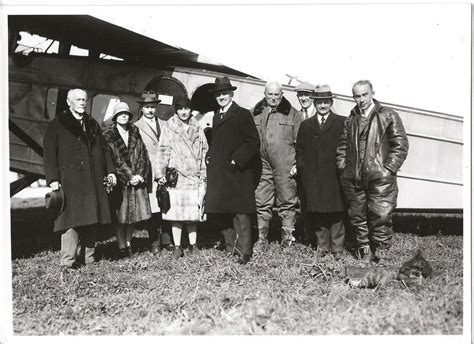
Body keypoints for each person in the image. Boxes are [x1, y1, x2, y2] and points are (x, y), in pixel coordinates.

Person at [336, 80, 409, 265]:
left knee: (381, 215)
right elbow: (343, 145)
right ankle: (364, 250)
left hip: (380, 177)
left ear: (372, 93)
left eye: (364, 95)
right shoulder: (351, 118)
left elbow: (400, 145)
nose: (361, 100)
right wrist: (343, 168)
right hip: (353, 177)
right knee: (357, 216)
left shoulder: (388, 115)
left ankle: (382, 251)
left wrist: (388, 169)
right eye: (357, 96)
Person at [43, 88, 117, 271]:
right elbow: (49, 154)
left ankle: (88, 258)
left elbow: (105, 150)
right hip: (71, 181)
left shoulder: (93, 124)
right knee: (71, 221)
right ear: (69, 102)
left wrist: (111, 172)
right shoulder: (57, 124)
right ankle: (67, 262)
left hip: (93, 179)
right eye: (78, 100)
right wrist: (53, 178)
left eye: (84, 99)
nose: (82, 102)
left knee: (92, 218)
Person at [205, 77, 260, 264]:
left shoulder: (242, 114)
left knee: (241, 214)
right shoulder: (216, 115)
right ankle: (231, 249)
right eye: (218, 94)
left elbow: (253, 142)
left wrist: (237, 159)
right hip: (221, 174)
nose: (221, 97)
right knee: (225, 213)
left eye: (224, 93)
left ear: (231, 94)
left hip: (238, 174)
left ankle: (245, 252)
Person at [295, 84, 346, 260]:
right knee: (317, 212)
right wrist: (303, 168)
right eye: (319, 102)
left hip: (334, 177)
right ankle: (323, 247)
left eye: (326, 102)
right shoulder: (306, 125)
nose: (322, 106)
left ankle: (337, 248)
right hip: (313, 177)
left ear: (331, 103)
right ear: (314, 103)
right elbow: (299, 150)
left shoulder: (341, 122)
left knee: (336, 213)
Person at [155, 96, 208, 259]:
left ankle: (193, 245)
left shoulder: (198, 127)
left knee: (192, 216)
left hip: (194, 177)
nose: (183, 112)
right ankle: (177, 246)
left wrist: (204, 175)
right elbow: (163, 151)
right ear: (176, 110)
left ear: (190, 110)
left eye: (186, 108)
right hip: (176, 177)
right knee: (176, 215)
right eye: (180, 109)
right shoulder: (170, 127)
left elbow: (205, 151)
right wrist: (160, 174)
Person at [252, 81, 302, 248]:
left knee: (287, 201)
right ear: (265, 94)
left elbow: (300, 143)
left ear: (282, 95)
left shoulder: (293, 114)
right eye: (270, 94)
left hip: (285, 164)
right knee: (261, 200)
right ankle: (261, 238)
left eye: (276, 95)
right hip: (262, 164)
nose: (273, 98)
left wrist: (297, 163)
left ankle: (287, 239)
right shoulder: (255, 113)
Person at [103, 102, 152, 258]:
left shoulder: (135, 131)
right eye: (120, 114)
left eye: (126, 114)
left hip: (136, 181)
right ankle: (121, 246)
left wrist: (140, 175)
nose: (123, 116)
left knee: (133, 217)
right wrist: (129, 177)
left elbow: (144, 154)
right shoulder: (108, 135)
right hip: (121, 183)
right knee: (120, 218)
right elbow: (113, 160)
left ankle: (128, 244)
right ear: (115, 117)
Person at [133, 91, 174, 253]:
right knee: (153, 208)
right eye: (147, 107)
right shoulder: (136, 127)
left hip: (164, 170)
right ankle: (154, 242)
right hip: (149, 172)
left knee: (166, 205)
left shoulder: (165, 124)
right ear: (142, 108)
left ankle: (168, 240)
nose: (150, 110)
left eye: (152, 107)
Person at [294, 81, 317, 246]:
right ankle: (308, 237)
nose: (304, 98)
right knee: (304, 202)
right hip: (302, 167)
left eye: (307, 94)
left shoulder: (321, 113)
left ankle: (319, 238)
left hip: (319, 167)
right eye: (301, 95)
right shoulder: (296, 115)